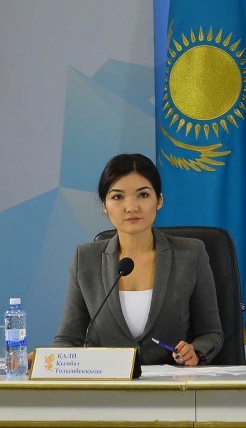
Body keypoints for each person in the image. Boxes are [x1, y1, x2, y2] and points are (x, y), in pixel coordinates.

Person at [51, 153, 223, 366]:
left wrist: (195, 352)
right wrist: (43, 360)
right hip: (109, 382)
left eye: (143, 195)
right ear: (104, 205)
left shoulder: (190, 254)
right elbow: (68, 339)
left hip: (173, 382)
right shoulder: (85, 259)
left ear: (159, 200)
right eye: (118, 197)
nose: (131, 207)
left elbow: (211, 333)